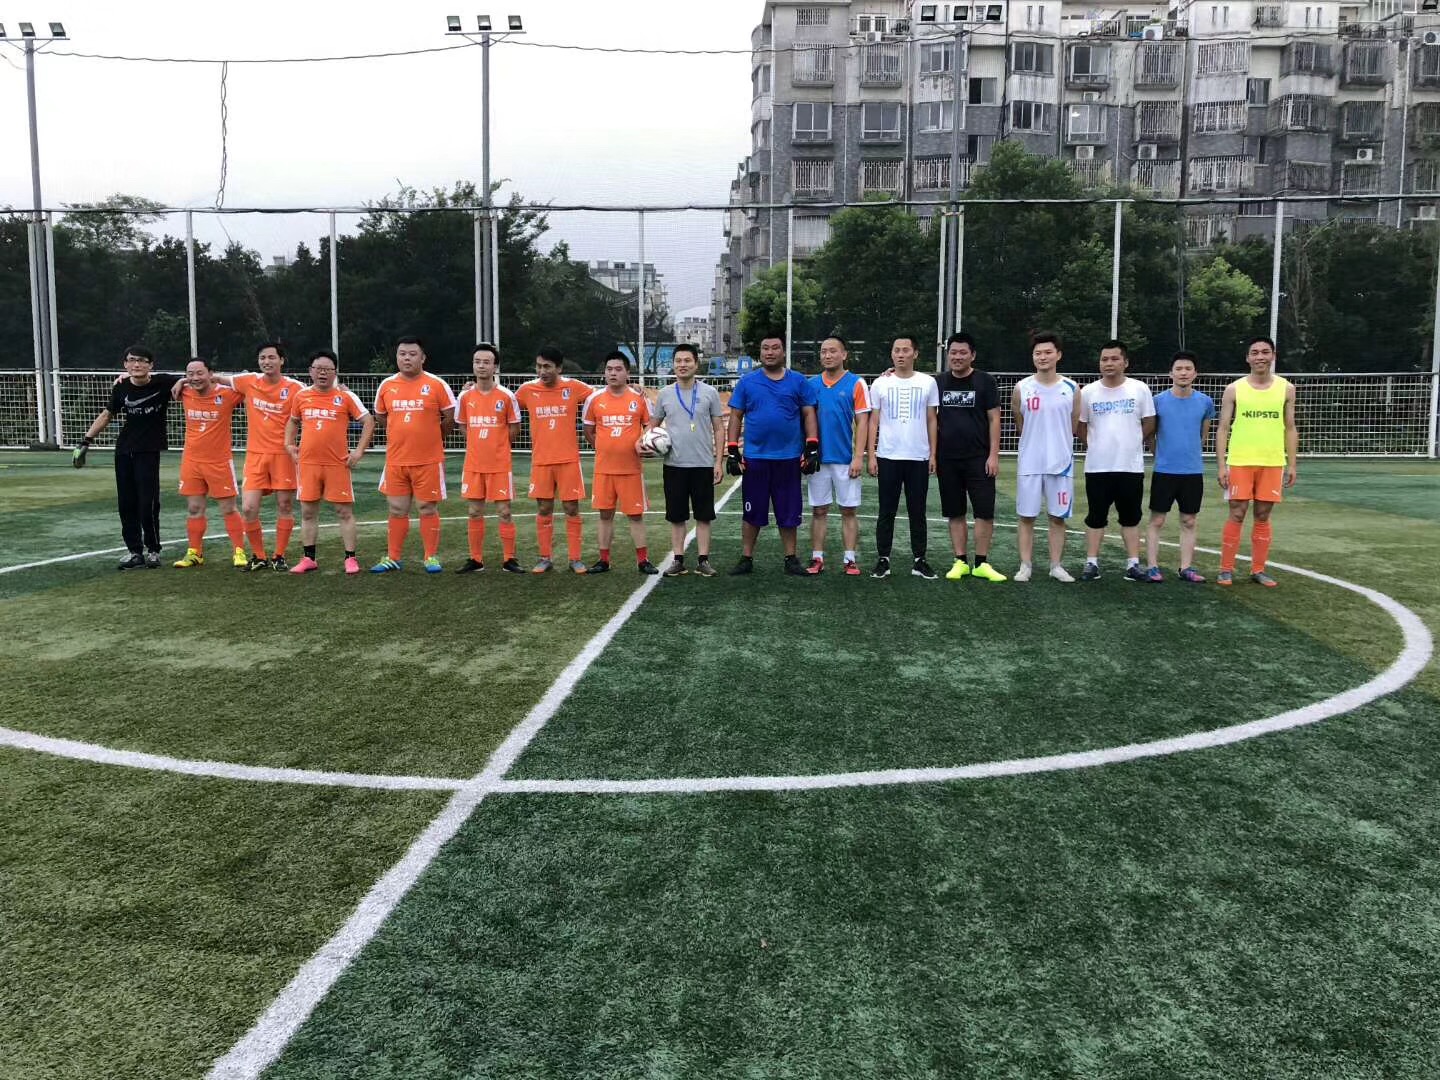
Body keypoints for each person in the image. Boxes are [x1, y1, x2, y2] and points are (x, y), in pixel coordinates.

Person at [73, 346, 182, 569]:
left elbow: (194, 378)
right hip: (124, 450)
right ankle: (135, 552)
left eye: (142, 361)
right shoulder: (121, 387)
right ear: (125, 364)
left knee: (148, 503)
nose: (136, 364)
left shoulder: (162, 382)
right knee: (126, 503)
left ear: (151, 365)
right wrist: (86, 441)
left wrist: (181, 382)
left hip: (148, 451)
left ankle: (153, 550)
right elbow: (107, 414)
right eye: (132, 360)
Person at [724, 332, 819, 576]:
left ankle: (791, 558)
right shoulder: (747, 382)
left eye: (775, 347)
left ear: (783, 351)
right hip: (755, 458)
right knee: (752, 511)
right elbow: (736, 416)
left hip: (788, 458)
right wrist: (732, 450)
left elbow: (809, 413)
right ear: (760, 352)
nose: (770, 352)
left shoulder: (798, 381)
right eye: (765, 348)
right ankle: (746, 558)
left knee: (789, 512)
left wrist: (812, 446)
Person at [1214, 335, 1298, 587]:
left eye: (1265, 352)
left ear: (1273, 356)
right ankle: (1225, 569)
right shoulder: (1234, 389)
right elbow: (1223, 428)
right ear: (1248, 358)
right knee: (1237, 512)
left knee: (1263, 514)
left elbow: (1290, 427)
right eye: (1255, 352)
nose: (1260, 356)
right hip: (1240, 460)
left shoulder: (1286, 388)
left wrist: (1291, 464)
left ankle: (1258, 569)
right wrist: (1222, 465)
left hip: (1272, 461)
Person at [370, 336, 457, 574]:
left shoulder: (436, 384)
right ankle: (393, 557)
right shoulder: (387, 385)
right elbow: (381, 416)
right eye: (402, 354)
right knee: (397, 509)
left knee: (427, 508)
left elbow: (450, 416)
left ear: (423, 357)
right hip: (396, 460)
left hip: (428, 460)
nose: (406, 358)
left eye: (412, 354)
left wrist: (434, 436)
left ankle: (430, 557)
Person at [283, 350, 374, 575]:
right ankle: (309, 558)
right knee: (308, 512)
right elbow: (293, 421)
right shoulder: (301, 396)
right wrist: (289, 445)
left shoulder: (346, 397)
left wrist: (358, 452)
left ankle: (350, 558)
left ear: (335, 372)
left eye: (327, 369)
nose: (322, 373)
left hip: (337, 464)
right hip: (308, 464)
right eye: (318, 369)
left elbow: (368, 421)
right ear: (310, 371)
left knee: (344, 512)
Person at [1078, 338, 1156, 582]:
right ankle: (1092, 563)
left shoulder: (1139, 389)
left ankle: (1133, 565)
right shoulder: (1088, 392)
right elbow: (1081, 426)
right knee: (1096, 517)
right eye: (1104, 359)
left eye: (1114, 358)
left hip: (1130, 466)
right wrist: (1095, 445)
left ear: (1125, 362)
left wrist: (1134, 441)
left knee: (1131, 517)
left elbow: (1150, 421)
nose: (1109, 363)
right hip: (1097, 467)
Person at [515, 346, 596, 574]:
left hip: (568, 460)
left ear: (559, 368)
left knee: (571, 508)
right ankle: (545, 558)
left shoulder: (573, 387)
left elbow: (601, 395)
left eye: (547, 366)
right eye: (539, 366)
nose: (542, 371)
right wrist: (471, 389)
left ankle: (575, 559)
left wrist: (632, 387)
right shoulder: (527, 390)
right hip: (541, 460)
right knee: (544, 508)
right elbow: (501, 402)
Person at [935, 332, 1006, 583]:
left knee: (984, 511)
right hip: (947, 459)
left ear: (972, 355)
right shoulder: (938, 382)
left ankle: (982, 563)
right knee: (955, 511)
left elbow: (994, 419)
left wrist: (993, 455)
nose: (957, 357)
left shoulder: (985, 381)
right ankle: (961, 561)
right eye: (953, 352)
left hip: (979, 458)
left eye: (962, 352)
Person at [866, 335, 940, 579]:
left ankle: (920, 560)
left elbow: (932, 419)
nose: (900, 354)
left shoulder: (928, 382)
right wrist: (871, 455)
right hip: (888, 456)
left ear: (915, 353)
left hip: (918, 457)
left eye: (905, 350)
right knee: (886, 511)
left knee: (917, 511)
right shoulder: (880, 383)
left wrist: (933, 454)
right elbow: (873, 421)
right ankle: (883, 559)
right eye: (896, 350)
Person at [649, 343, 724, 577]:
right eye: (678, 361)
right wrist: (648, 442)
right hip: (674, 465)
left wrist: (718, 462)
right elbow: (653, 427)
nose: (682, 365)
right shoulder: (664, 394)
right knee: (676, 516)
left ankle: (703, 560)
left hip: (703, 464)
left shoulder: (710, 393)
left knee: (704, 516)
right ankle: (678, 560)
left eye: (687, 360)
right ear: (673, 365)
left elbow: (718, 428)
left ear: (696, 364)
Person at [1011, 331, 1080, 583]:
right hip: (1030, 462)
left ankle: (1056, 565)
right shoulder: (1022, 388)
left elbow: (1073, 424)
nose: (1043, 357)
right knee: (1026, 516)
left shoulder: (1071, 388)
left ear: (1058, 355)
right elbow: (1020, 422)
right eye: (1038, 353)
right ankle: (1025, 565)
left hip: (1060, 463)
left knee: (1057, 517)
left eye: (1048, 352)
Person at [581, 352, 658, 574]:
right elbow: (588, 430)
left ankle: (643, 560)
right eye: (609, 369)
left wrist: (642, 442)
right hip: (604, 469)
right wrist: (604, 447)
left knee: (635, 515)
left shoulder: (639, 398)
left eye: (618, 369)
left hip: (631, 469)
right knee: (605, 515)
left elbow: (649, 425)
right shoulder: (594, 399)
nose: (613, 373)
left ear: (627, 373)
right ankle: (603, 560)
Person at [231, 342, 305, 572]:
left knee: (285, 505)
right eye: (262, 358)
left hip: (283, 455)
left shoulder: (295, 387)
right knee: (249, 508)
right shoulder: (248, 381)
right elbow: (213, 378)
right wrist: (183, 381)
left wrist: (337, 387)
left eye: (272, 357)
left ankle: (279, 555)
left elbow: (316, 395)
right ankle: (259, 556)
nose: (266, 362)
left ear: (281, 360)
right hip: (256, 455)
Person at [1145, 350, 1215, 583]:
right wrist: (1160, 456)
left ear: (1195, 373)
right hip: (1164, 471)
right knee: (1157, 520)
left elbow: (1203, 435)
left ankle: (1186, 568)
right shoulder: (1158, 401)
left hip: (1192, 472)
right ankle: (1152, 566)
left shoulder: (1205, 402)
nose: (1183, 373)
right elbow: (1150, 434)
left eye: (1188, 369)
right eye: (1179, 369)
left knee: (1189, 520)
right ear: (1171, 373)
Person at [804, 335, 871, 576]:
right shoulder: (811, 384)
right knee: (818, 510)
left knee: (848, 510)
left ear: (844, 355)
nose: (827, 355)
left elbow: (863, 422)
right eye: (823, 351)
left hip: (845, 459)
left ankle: (849, 559)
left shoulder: (856, 383)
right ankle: (817, 557)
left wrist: (858, 457)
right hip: (818, 460)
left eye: (833, 351)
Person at [172, 358, 248, 569]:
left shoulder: (227, 394)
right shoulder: (184, 391)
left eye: (200, 373)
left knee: (228, 508)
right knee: (194, 508)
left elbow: (251, 386)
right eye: (190, 374)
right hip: (191, 461)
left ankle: (239, 551)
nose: (195, 378)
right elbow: (154, 380)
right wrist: (181, 381)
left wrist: (223, 379)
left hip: (219, 462)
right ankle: (195, 553)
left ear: (211, 373)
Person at [454, 343, 523, 574]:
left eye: (486, 362)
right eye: (477, 362)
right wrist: (477, 443)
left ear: (495, 367)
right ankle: (476, 560)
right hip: (474, 464)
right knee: (474, 511)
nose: (481, 366)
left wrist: (498, 445)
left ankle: (509, 559)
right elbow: (462, 425)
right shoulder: (465, 396)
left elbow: (514, 428)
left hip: (499, 464)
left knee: (504, 511)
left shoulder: (506, 396)